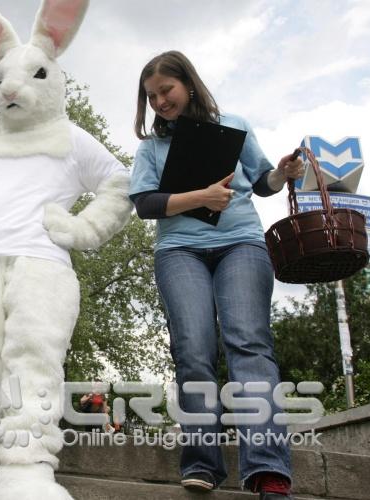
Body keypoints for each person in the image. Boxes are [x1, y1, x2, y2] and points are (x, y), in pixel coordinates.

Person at [129, 51, 305, 500]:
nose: (160, 102)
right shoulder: (151, 148)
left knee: (248, 343)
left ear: (188, 83)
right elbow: (146, 204)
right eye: (151, 97)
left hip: (242, 244)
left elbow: (261, 181)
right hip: (179, 251)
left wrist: (282, 174)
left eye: (165, 91)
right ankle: (203, 464)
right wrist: (199, 196)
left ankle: (268, 469)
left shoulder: (235, 125)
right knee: (194, 351)